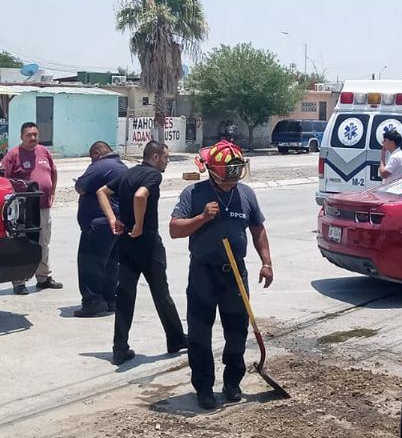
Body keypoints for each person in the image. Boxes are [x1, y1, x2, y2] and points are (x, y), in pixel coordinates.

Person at [170, 140, 273, 410]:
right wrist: (201, 218)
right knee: (199, 333)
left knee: (237, 331)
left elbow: (258, 229)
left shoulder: (247, 194)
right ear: (214, 171)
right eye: (230, 171)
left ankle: (232, 383)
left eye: (238, 170)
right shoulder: (193, 193)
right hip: (203, 273)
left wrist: (266, 262)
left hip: (235, 274)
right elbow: (174, 230)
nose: (235, 176)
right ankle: (204, 387)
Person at [97, 140, 186, 366]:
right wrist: (138, 224)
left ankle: (120, 348)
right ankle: (175, 339)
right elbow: (140, 196)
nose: (167, 161)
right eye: (165, 157)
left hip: (126, 243)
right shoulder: (153, 176)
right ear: (155, 157)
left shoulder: (128, 173)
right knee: (160, 292)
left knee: (125, 295)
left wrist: (112, 219)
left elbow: (102, 192)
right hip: (146, 242)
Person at [2, 122, 63, 295]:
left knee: (43, 242)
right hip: (22, 208)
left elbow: (53, 172)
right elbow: (3, 178)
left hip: (42, 207)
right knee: (22, 243)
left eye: (35, 134)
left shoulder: (44, 152)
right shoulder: (13, 155)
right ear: (21, 136)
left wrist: (52, 191)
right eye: (29, 135)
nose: (33, 138)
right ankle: (19, 281)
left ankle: (43, 277)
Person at [74, 141, 128, 317]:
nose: (91, 161)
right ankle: (110, 299)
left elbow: (81, 186)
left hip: (98, 224)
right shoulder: (122, 166)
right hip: (116, 223)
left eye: (92, 157)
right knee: (111, 264)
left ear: (97, 153)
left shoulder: (100, 166)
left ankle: (92, 301)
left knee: (90, 263)